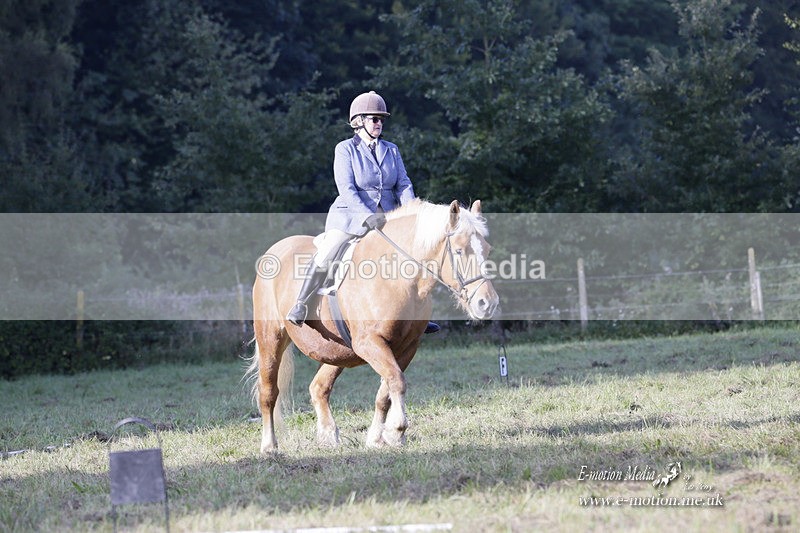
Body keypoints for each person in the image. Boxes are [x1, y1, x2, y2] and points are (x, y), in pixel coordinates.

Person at [286, 91, 440, 334]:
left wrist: (412, 214)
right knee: (329, 250)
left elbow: (403, 184)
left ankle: (416, 314)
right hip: (351, 217)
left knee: (415, 255)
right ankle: (302, 303)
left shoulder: (391, 150)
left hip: (389, 218)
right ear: (358, 121)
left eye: (382, 120)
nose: (379, 124)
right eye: (374, 119)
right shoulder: (345, 149)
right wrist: (366, 215)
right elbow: (346, 188)